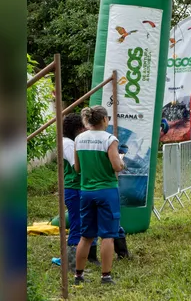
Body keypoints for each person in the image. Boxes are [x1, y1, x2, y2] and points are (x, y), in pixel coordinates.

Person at [73, 106, 125, 285]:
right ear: (104, 120)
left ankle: (78, 275)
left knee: (86, 236)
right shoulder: (110, 139)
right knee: (108, 235)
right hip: (107, 191)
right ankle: (105, 276)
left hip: (86, 191)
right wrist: (122, 160)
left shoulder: (79, 139)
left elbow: (77, 168)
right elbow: (117, 166)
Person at [59, 113, 98, 271]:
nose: (85, 129)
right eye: (82, 127)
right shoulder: (68, 143)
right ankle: (71, 264)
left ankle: (91, 256)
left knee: (90, 221)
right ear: (76, 128)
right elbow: (77, 165)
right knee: (77, 224)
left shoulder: (73, 141)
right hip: (74, 188)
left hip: (82, 187)